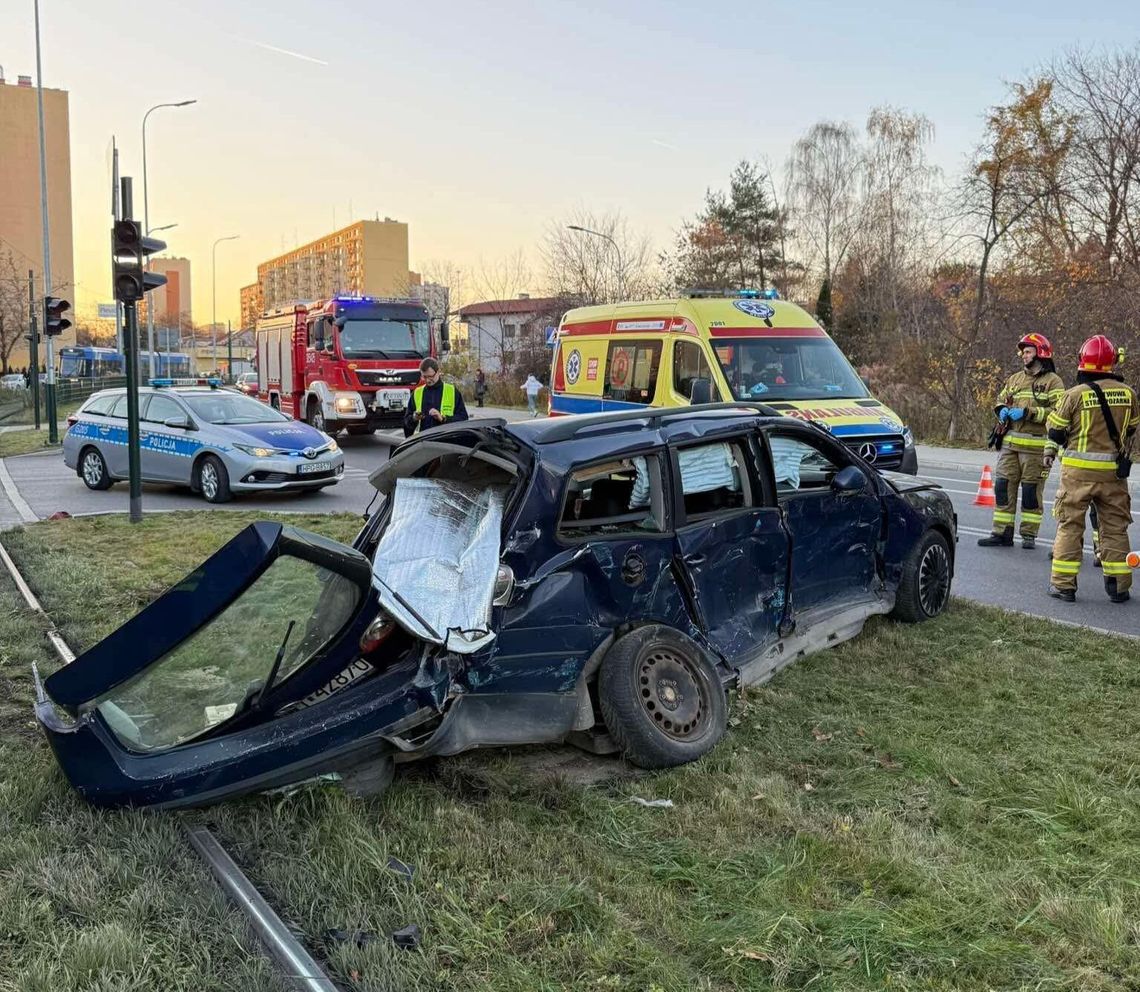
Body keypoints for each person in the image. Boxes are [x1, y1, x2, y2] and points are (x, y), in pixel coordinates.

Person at [1043, 334, 1138, 603]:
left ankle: (1063, 586)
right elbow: (1131, 429)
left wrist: (1050, 453)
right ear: (1111, 363)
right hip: (1113, 475)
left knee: (1070, 527)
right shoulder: (1129, 394)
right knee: (1115, 529)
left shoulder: (1073, 395)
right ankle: (1119, 587)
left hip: (1077, 476)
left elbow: (1056, 431)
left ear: (1082, 361)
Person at [978, 333, 1065, 550]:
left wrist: (1028, 413)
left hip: (1036, 448)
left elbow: (1059, 413)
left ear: (1040, 353)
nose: (1023, 355)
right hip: (1009, 446)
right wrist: (1003, 411)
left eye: (1028, 351)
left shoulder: (1053, 382)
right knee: (1002, 488)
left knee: (1030, 492)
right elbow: (999, 400)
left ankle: (1028, 535)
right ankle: (1001, 533)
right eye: (1023, 352)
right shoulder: (1015, 379)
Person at [403, 358, 469, 437]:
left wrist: (443, 419)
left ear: (438, 372)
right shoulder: (417, 392)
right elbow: (406, 422)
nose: (427, 380)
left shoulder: (452, 391)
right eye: (424, 377)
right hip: (423, 443)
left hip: (446, 442)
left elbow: (463, 419)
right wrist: (414, 418)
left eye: (430, 376)